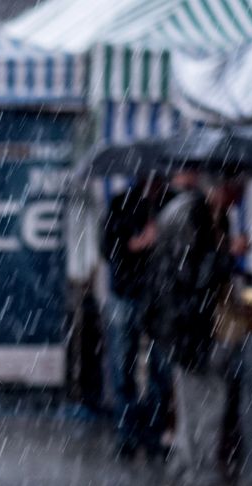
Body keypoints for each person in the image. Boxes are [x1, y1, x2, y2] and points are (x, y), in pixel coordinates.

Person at [148, 175, 247, 486]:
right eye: (238, 188)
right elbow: (192, 273)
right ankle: (197, 468)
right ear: (223, 186)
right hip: (190, 323)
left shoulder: (199, 212)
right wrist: (228, 254)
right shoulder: (193, 214)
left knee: (193, 395)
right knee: (204, 397)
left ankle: (184, 462)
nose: (242, 195)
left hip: (185, 321)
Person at [100, 174, 170, 458]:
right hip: (126, 293)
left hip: (159, 297)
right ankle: (127, 434)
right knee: (123, 366)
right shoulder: (121, 204)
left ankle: (153, 434)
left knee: (159, 369)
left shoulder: (170, 204)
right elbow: (108, 247)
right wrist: (139, 243)